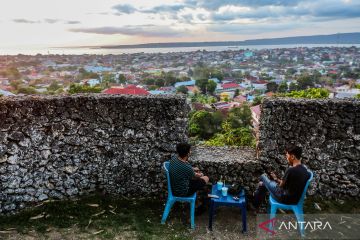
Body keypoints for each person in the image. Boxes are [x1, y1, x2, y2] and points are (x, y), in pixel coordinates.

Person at [253, 145, 310, 210]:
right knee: (263, 185)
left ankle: (255, 204)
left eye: (287, 156)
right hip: (295, 200)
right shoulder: (305, 170)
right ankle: (256, 204)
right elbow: (288, 184)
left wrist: (275, 181)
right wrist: (276, 179)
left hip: (283, 198)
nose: (287, 158)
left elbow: (280, 186)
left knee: (263, 177)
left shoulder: (291, 170)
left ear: (292, 156)